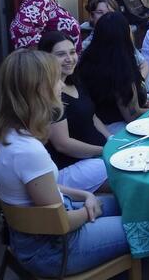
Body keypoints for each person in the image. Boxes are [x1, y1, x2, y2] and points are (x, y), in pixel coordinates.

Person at [0, 49, 128, 277]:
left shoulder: (3, 135)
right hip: (55, 249)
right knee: (141, 224)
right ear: (38, 90)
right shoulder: (28, 150)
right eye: (55, 81)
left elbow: (41, 187)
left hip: (36, 237)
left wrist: (86, 196)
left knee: (129, 203)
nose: (61, 86)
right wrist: (92, 209)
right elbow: (60, 223)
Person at [38, 31, 111, 193]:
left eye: (72, 52)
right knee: (126, 179)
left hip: (96, 155)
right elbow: (63, 144)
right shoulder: (50, 95)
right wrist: (104, 151)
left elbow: (92, 116)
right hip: (75, 165)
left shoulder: (75, 82)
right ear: (46, 58)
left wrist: (110, 139)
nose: (70, 59)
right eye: (60, 54)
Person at [76, 12, 149, 134]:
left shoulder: (87, 58)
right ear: (125, 34)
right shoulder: (120, 66)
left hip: (95, 125)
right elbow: (132, 116)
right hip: (116, 128)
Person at [81, 0, 149, 90]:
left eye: (110, 13)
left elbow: (145, 64)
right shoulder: (86, 47)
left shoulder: (122, 39)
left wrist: (138, 84)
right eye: (100, 12)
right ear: (92, 16)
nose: (105, 16)